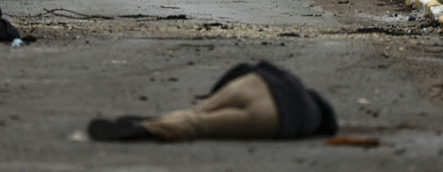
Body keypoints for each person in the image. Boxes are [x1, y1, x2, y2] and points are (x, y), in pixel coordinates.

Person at [87, 61, 338, 141]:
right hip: (273, 116)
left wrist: (214, 94)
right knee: (200, 126)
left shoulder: (295, 83)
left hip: (253, 82)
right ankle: (149, 129)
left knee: (198, 113)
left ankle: (178, 115)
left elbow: (244, 68)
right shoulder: (310, 119)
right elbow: (292, 130)